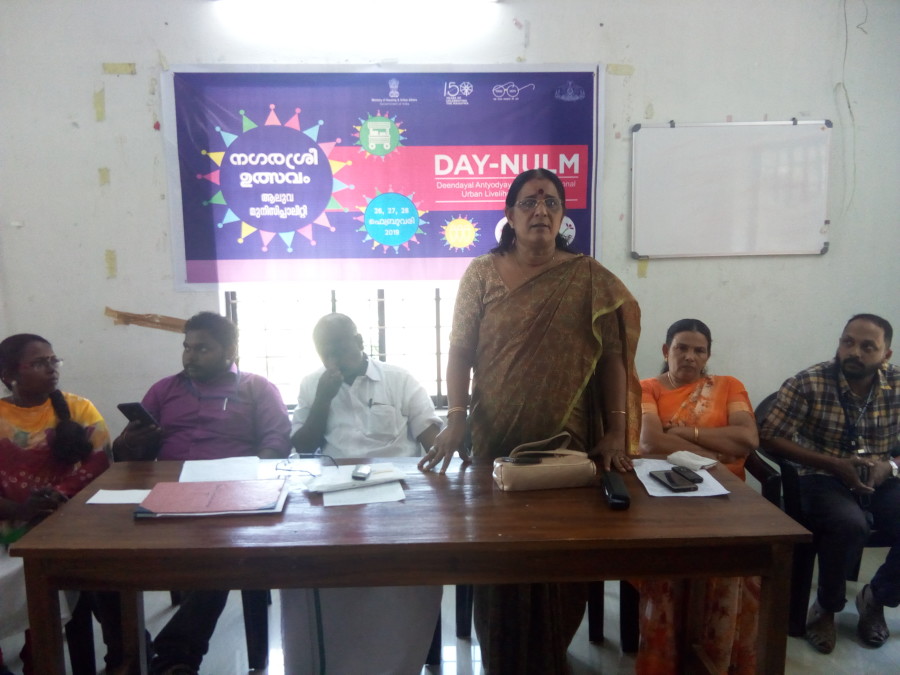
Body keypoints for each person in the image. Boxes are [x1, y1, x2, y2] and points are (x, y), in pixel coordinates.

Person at [418, 168, 642, 674]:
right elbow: (460, 351)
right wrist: (456, 419)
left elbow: (612, 357)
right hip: (495, 439)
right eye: (528, 201)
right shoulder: (482, 272)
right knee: (499, 560)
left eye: (551, 202)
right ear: (509, 214)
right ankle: (502, 660)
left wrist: (615, 431)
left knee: (563, 558)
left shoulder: (587, 276)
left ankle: (552, 654)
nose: (540, 210)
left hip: (569, 444)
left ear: (563, 216)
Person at [113, 312, 291, 675]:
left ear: (230, 350)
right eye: (187, 347)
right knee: (105, 555)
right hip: (171, 493)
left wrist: (252, 478)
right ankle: (129, 652)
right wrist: (131, 440)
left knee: (221, 555)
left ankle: (175, 657)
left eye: (202, 349)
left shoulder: (257, 388)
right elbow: (126, 455)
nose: (190, 357)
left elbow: (277, 443)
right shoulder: (164, 390)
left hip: (235, 495)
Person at [281, 312, 443, 675]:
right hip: (334, 490)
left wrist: (449, 449)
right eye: (325, 351)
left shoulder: (398, 379)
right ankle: (335, 659)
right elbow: (303, 445)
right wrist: (323, 399)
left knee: (413, 566)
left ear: (359, 341)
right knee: (310, 564)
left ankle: (399, 660)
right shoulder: (313, 384)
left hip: (399, 490)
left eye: (340, 348)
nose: (333, 358)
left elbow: (430, 435)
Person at [759, 313, 899, 655]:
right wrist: (832, 463)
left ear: (886, 354)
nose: (855, 352)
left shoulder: (897, 385)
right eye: (848, 342)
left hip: (879, 476)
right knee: (849, 525)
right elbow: (769, 436)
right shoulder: (809, 382)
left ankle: (877, 598)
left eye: (867, 347)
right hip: (821, 475)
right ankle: (826, 607)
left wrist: (890, 465)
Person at [635, 318, 760, 674]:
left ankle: (720, 656)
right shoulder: (647, 388)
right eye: (681, 348)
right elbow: (650, 442)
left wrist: (684, 432)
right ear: (666, 351)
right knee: (667, 566)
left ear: (707, 356)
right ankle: (666, 659)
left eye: (698, 350)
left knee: (738, 560)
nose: (689, 356)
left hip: (729, 495)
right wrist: (717, 453)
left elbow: (747, 440)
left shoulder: (729, 385)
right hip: (666, 492)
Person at [0, 334, 117, 675]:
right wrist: (20, 510)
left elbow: (99, 463)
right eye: (39, 363)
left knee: (88, 576)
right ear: (9, 375)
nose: (52, 369)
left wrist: (55, 499)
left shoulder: (79, 409)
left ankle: (39, 656)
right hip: (8, 521)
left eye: (54, 360)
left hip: (69, 520)